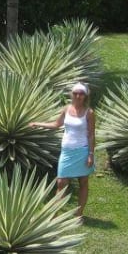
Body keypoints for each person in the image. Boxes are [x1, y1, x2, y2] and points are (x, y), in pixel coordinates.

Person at [30, 82, 96, 218]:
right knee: (61, 183)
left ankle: (79, 214)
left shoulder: (89, 113)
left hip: (82, 151)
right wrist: (37, 124)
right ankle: (54, 215)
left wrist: (90, 154)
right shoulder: (66, 109)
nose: (78, 96)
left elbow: (91, 134)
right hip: (67, 151)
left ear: (85, 96)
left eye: (81, 94)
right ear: (72, 94)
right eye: (76, 93)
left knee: (83, 182)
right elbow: (56, 124)